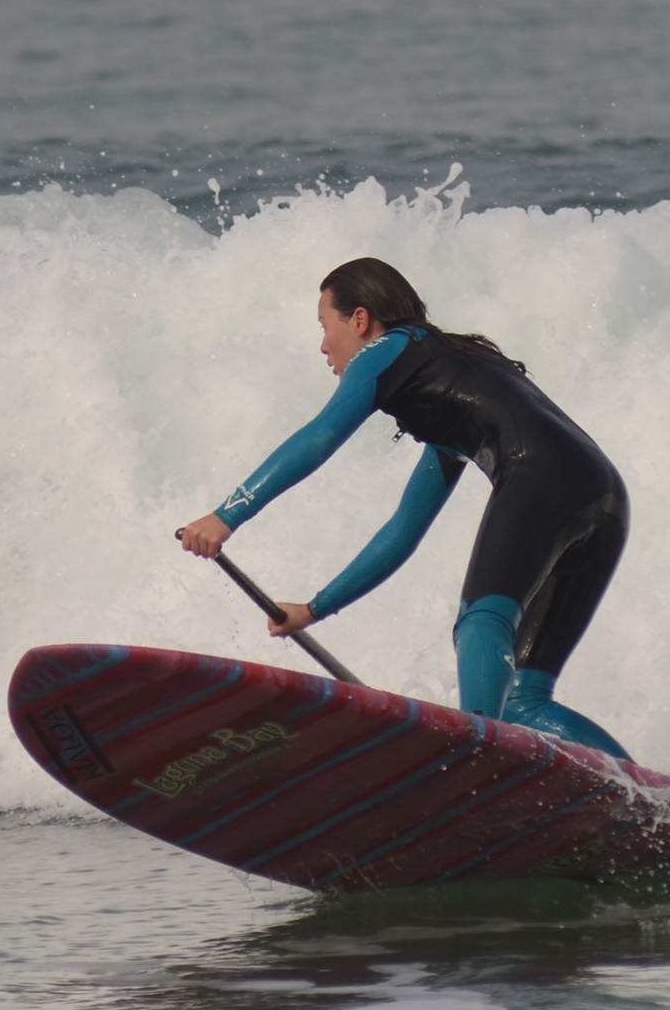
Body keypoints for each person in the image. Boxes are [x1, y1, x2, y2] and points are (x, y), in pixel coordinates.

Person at [177, 256, 634, 760]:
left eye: (324, 325)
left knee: (481, 624)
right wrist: (314, 608)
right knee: (523, 702)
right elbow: (403, 530)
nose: (323, 345)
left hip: (544, 477)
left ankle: (479, 762)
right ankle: (658, 799)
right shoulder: (450, 389)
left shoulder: (389, 347)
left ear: (360, 319)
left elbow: (320, 436)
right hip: (605, 498)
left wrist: (227, 515)